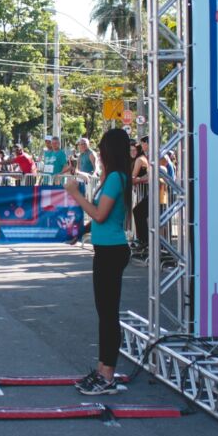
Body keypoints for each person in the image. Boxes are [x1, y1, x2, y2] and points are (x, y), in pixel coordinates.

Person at [62, 127, 133, 395]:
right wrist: (81, 231)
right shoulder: (111, 177)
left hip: (112, 250)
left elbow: (101, 215)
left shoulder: (116, 177)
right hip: (105, 247)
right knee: (104, 313)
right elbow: (102, 217)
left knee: (108, 315)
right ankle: (103, 368)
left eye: (102, 148)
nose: (99, 154)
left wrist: (76, 195)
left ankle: (108, 374)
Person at [132, 137, 152, 255]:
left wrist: (138, 180)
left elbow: (154, 174)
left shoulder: (158, 155)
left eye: (143, 143)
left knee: (138, 211)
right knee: (138, 211)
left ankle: (144, 241)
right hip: (153, 192)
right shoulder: (148, 156)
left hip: (160, 193)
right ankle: (144, 241)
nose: (142, 146)